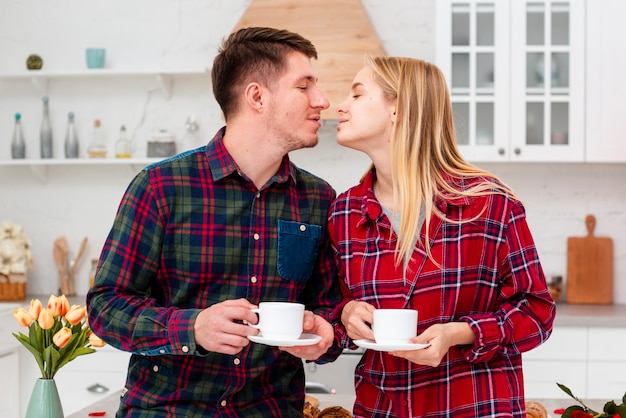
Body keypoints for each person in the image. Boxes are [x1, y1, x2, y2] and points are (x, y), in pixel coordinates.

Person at [86, 26, 345, 417]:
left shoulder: (318, 198)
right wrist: (192, 328)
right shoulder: (160, 187)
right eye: (304, 86)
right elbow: (106, 307)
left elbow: (330, 308)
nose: (322, 100)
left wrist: (326, 335)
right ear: (257, 96)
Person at [328, 56, 556, 417]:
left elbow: (537, 313)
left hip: (473, 407)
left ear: (397, 110)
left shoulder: (488, 204)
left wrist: (459, 333)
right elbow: (333, 306)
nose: (339, 105)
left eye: (357, 94)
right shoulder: (344, 212)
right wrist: (348, 313)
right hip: (380, 407)